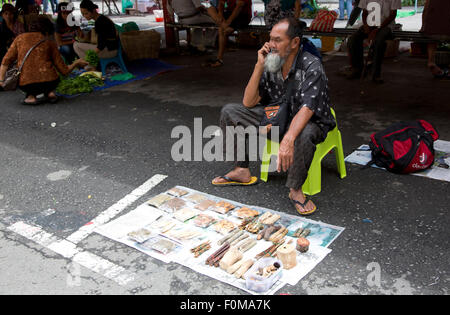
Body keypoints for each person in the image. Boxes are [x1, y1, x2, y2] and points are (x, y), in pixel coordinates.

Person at [212, 17, 336, 216]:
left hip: (308, 120)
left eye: (278, 40)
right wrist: (259, 65)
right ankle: (241, 170)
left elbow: (308, 108)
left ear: (295, 42)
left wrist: (288, 139)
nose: (271, 45)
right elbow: (248, 102)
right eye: (270, 39)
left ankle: (295, 190)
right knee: (231, 111)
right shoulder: (272, 62)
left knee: (306, 132)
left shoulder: (312, 66)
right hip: (277, 117)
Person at [0, 15, 87, 104]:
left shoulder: (20, 38)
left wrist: (2, 80)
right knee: (50, 79)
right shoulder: (50, 43)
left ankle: (31, 97)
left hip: (26, 84)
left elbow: (6, 61)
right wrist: (77, 62)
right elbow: (64, 71)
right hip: (50, 82)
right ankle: (50, 93)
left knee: (26, 81)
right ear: (48, 29)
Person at [346, 0, 401, 83]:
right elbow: (364, 13)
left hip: (386, 26)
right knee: (352, 39)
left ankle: (376, 74)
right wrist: (366, 26)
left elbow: (393, 15)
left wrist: (378, 28)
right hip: (370, 24)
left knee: (378, 42)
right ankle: (357, 69)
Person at [205, 0, 253, 67]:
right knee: (210, 8)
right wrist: (220, 14)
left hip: (243, 16)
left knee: (222, 29)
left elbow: (239, 7)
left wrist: (228, 22)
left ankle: (219, 59)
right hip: (229, 13)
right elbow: (221, 3)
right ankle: (224, 26)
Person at [420, 0, 450, 78]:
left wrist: (423, 27)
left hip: (431, 32)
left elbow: (425, 10)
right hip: (447, 32)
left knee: (432, 38)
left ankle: (431, 61)